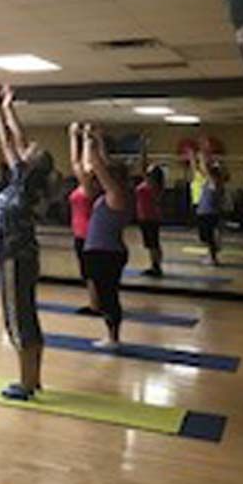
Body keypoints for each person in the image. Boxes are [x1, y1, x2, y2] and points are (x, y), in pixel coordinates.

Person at [0, 83, 53, 401]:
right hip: (18, 258)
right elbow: (11, 138)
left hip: (15, 259)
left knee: (17, 321)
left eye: (29, 150)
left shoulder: (26, 188)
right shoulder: (22, 182)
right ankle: (33, 379)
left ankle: (26, 385)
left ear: (31, 165)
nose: (24, 147)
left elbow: (11, 140)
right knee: (27, 317)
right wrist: (3, 107)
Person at [82, 125, 130, 349]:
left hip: (106, 253)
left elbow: (100, 166)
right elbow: (105, 164)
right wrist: (100, 140)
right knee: (102, 297)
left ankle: (113, 338)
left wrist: (89, 140)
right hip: (100, 251)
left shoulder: (117, 194)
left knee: (108, 296)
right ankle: (111, 335)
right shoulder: (114, 194)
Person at [68, 122, 101, 312]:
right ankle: (96, 302)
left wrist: (74, 137)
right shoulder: (87, 188)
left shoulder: (89, 189)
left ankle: (95, 305)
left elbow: (76, 163)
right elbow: (81, 163)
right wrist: (86, 138)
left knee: (90, 272)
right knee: (89, 271)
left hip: (86, 235)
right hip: (84, 234)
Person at [135, 138, 165, 276]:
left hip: (150, 218)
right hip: (146, 217)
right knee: (152, 244)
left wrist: (143, 149)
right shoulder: (150, 184)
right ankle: (155, 265)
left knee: (153, 244)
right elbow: (143, 166)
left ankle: (156, 266)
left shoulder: (152, 185)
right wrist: (143, 150)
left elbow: (142, 166)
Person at [192, 149, 224, 265]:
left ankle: (213, 257)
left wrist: (202, 158)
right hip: (206, 212)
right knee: (206, 237)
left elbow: (206, 171)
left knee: (209, 237)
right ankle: (212, 255)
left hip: (209, 213)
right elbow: (200, 171)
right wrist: (195, 159)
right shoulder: (211, 182)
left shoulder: (214, 183)